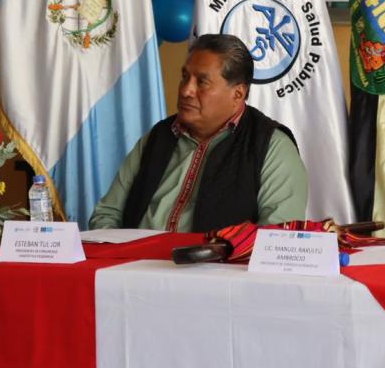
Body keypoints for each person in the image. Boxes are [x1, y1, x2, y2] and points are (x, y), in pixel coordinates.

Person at [88, 33, 308, 232]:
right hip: (134, 268)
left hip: (217, 272)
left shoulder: (271, 147)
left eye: (202, 82)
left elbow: (276, 239)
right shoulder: (159, 136)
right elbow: (107, 214)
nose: (185, 90)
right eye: (185, 77)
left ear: (238, 94)